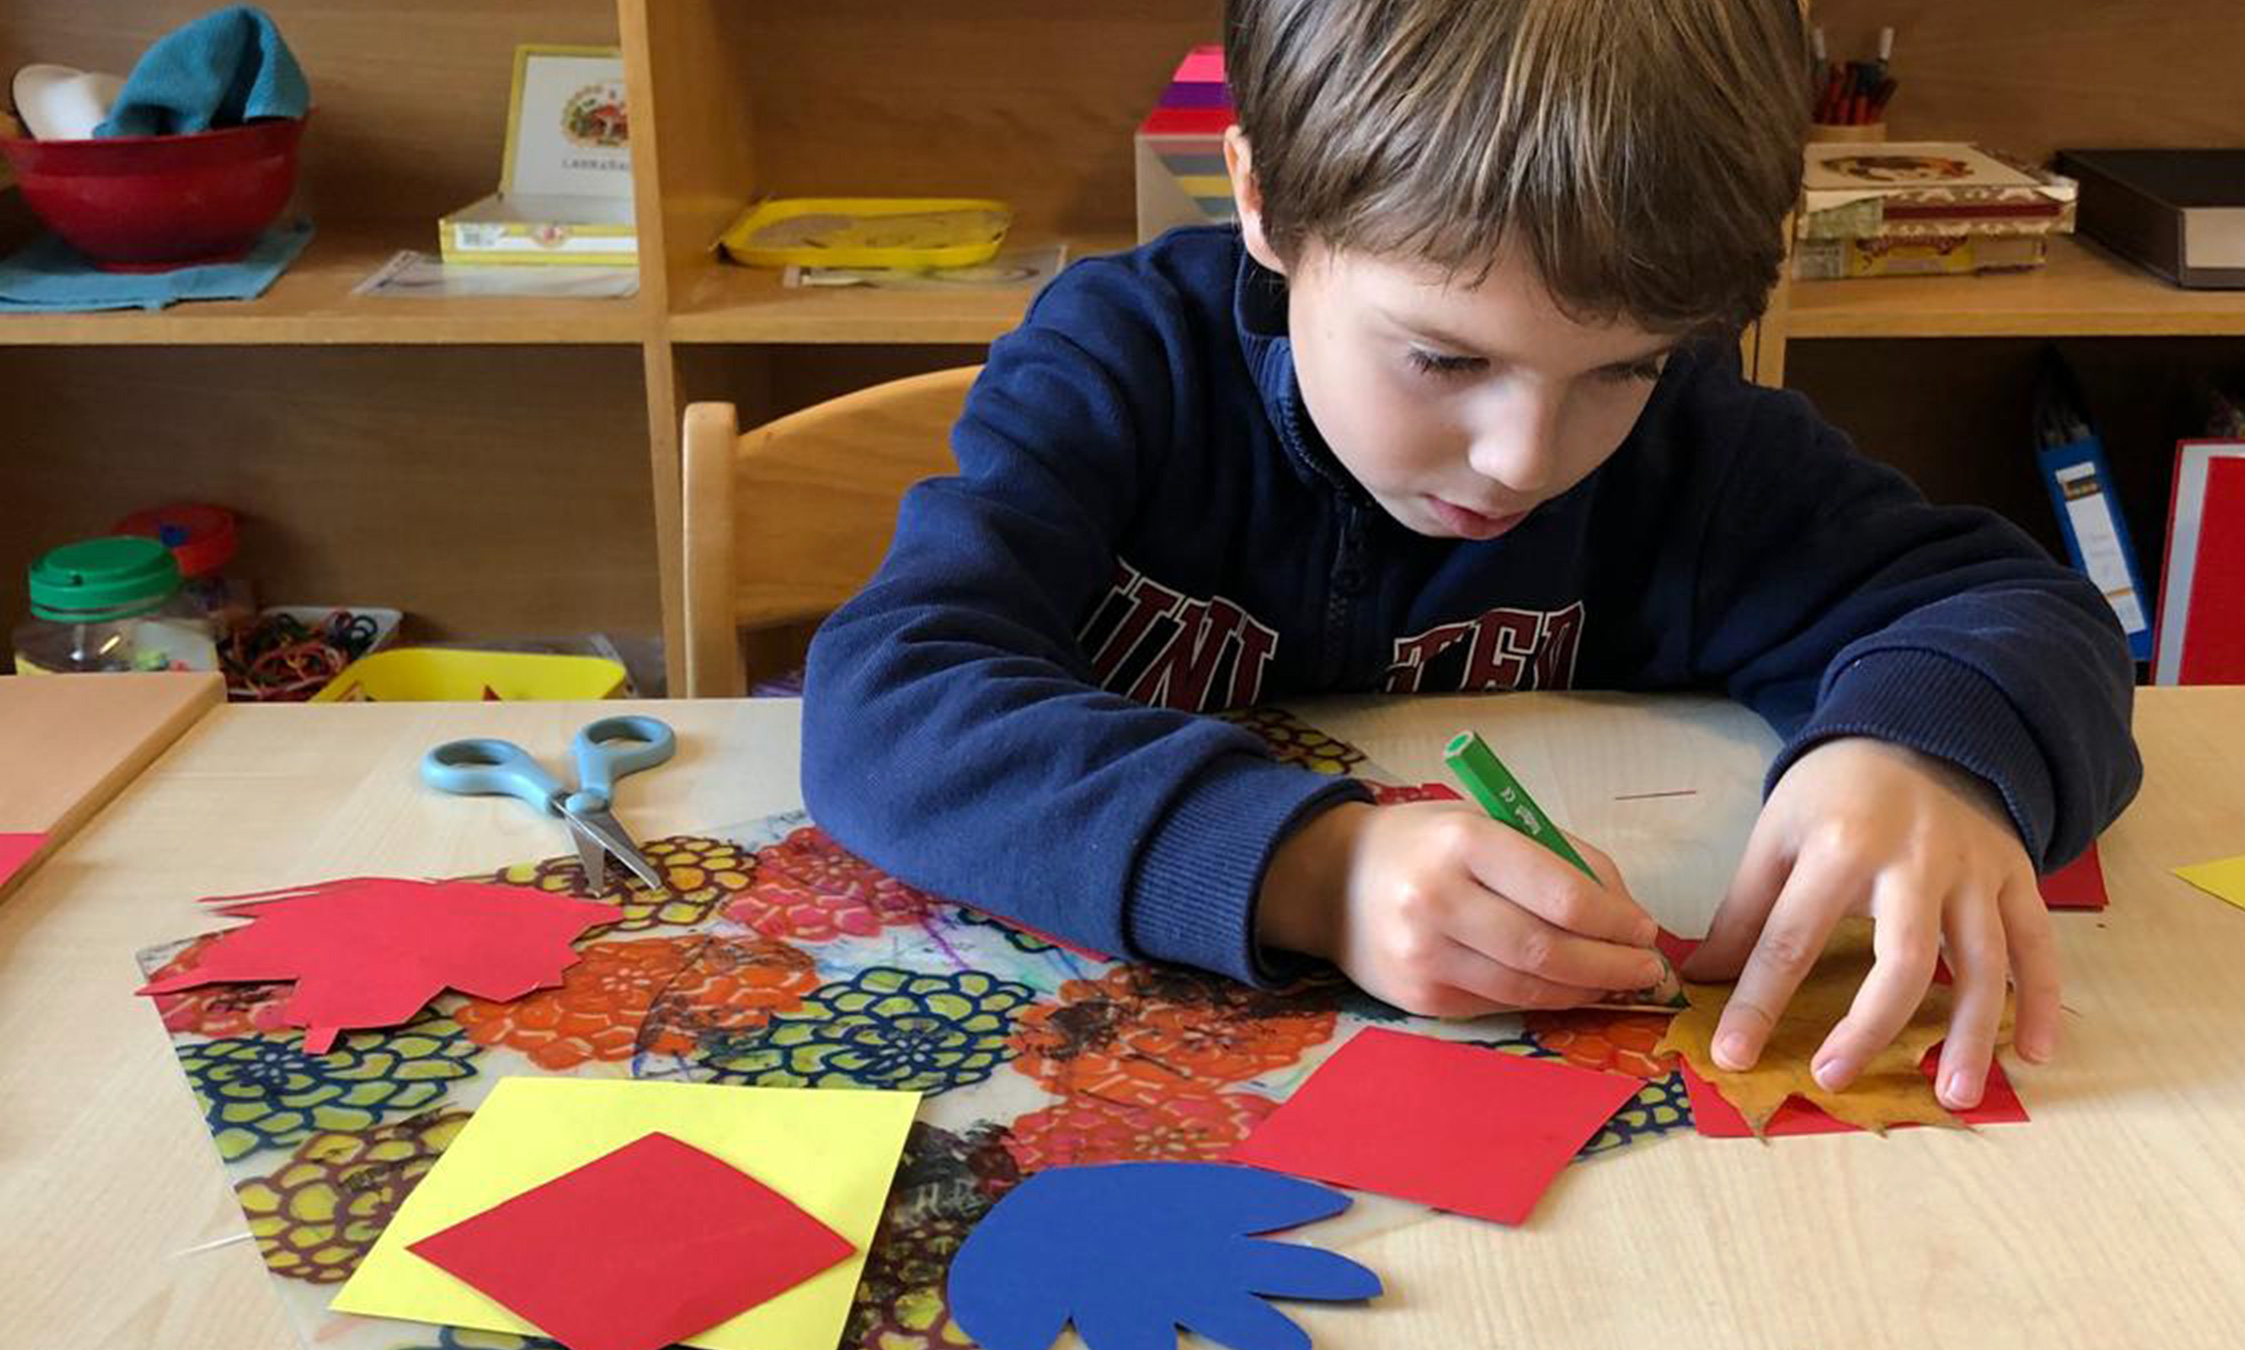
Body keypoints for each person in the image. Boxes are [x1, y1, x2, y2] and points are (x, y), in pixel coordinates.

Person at [802, 0, 2142, 1111]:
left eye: (1620, 365)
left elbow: (2019, 607)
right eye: (1446, 357)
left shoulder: (1688, 453)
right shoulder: (1122, 370)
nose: (1523, 454)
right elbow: (891, 702)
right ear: (1264, 199)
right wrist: (1311, 871)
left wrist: (1925, 751)